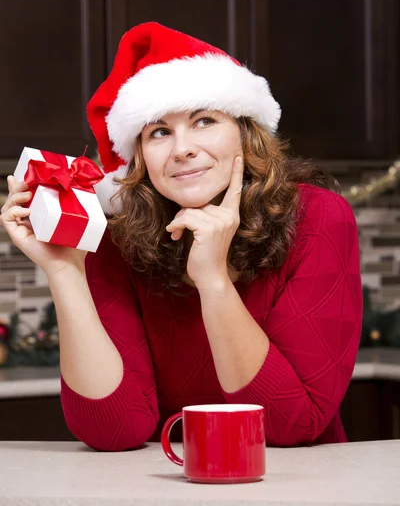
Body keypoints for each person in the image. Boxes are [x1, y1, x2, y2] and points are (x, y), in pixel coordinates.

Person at [1, 22, 362, 451]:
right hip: (162, 486)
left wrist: (213, 281)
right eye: (159, 132)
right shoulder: (117, 239)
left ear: (247, 135)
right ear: (140, 157)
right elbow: (115, 432)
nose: (181, 148)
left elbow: (292, 426)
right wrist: (65, 272)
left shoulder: (318, 218)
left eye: (204, 120)